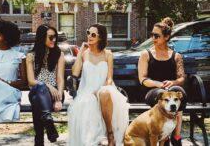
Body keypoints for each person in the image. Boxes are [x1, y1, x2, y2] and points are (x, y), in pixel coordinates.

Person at [68, 24, 129, 146]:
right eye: (88, 33)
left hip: (105, 88)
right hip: (86, 92)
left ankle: (110, 133)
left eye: (93, 34)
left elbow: (110, 78)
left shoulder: (108, 54)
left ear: (100, 37)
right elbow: (75, 72)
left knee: (105, 94)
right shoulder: (85, 54)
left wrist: (103, 88)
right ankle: (97, 140)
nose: (89, 36)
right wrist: (80, 51)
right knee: (88, 103)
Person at [138, 17, 187, 146]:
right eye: (152, 35)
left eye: (156, 35)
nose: (153, 38)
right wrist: (158, 84)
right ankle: (163, 136)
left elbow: (181, 78)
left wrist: (173, 82)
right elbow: (142, 79)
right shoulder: (146, 54)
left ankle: (176, 136)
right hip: (153, 91)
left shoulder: (176, 56)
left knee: (179, 92)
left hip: (172, 91)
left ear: (166, 37)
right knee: (162, 94)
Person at [26, 24, 65, 146]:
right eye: (50, 37)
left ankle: (40, 139)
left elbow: (60, 79)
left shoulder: (59, 54)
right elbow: (31, 81)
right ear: (42, 37)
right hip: (38, 89)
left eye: (55, 37)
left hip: (54, 94)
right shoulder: (31, 56)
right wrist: (47, 85)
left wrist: (58, 98)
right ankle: (48, 122)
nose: (54, 40)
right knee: (40, 89)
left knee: (36, 101)